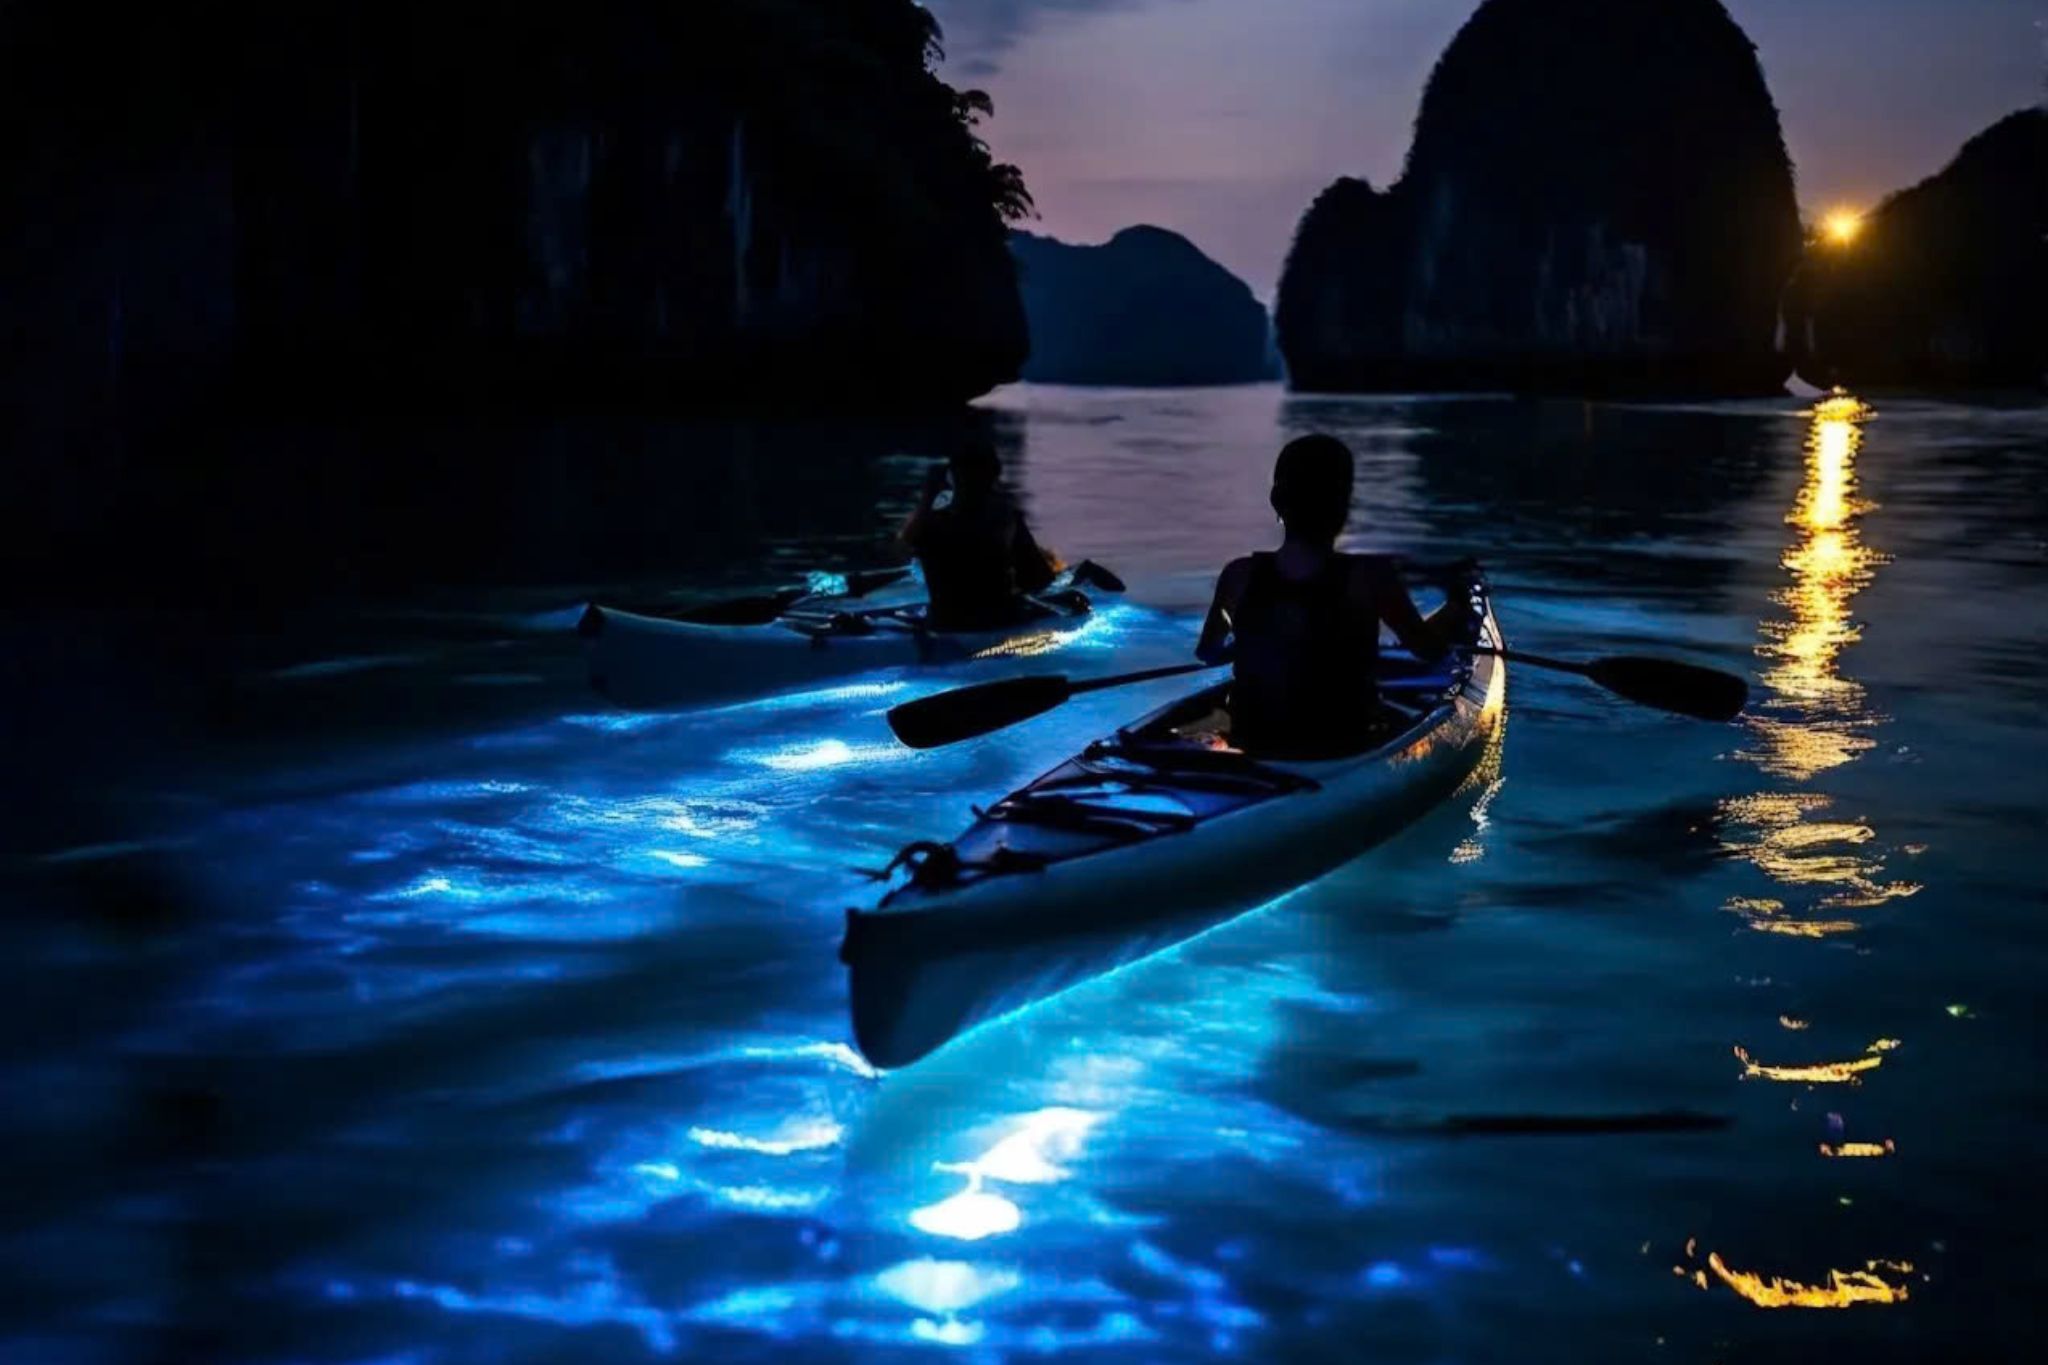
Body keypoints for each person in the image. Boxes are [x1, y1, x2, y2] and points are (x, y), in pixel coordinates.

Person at [1196, 433, 1451, 757]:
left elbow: (1207, 653)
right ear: (1343, 505)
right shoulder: (1371, 576)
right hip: (1343, 744)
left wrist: (1249, 644)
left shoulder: (1238, 575)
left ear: (1278, 502)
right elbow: (1429, 651)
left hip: (1252, 738)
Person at [901, 438, 1057, 631]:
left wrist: (927, 498)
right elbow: (1037, 579)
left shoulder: (931, 523)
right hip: (998, 621)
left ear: (951, 476)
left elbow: (903, 546)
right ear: (994, 474)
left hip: (944, 622)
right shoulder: (1004, 520)